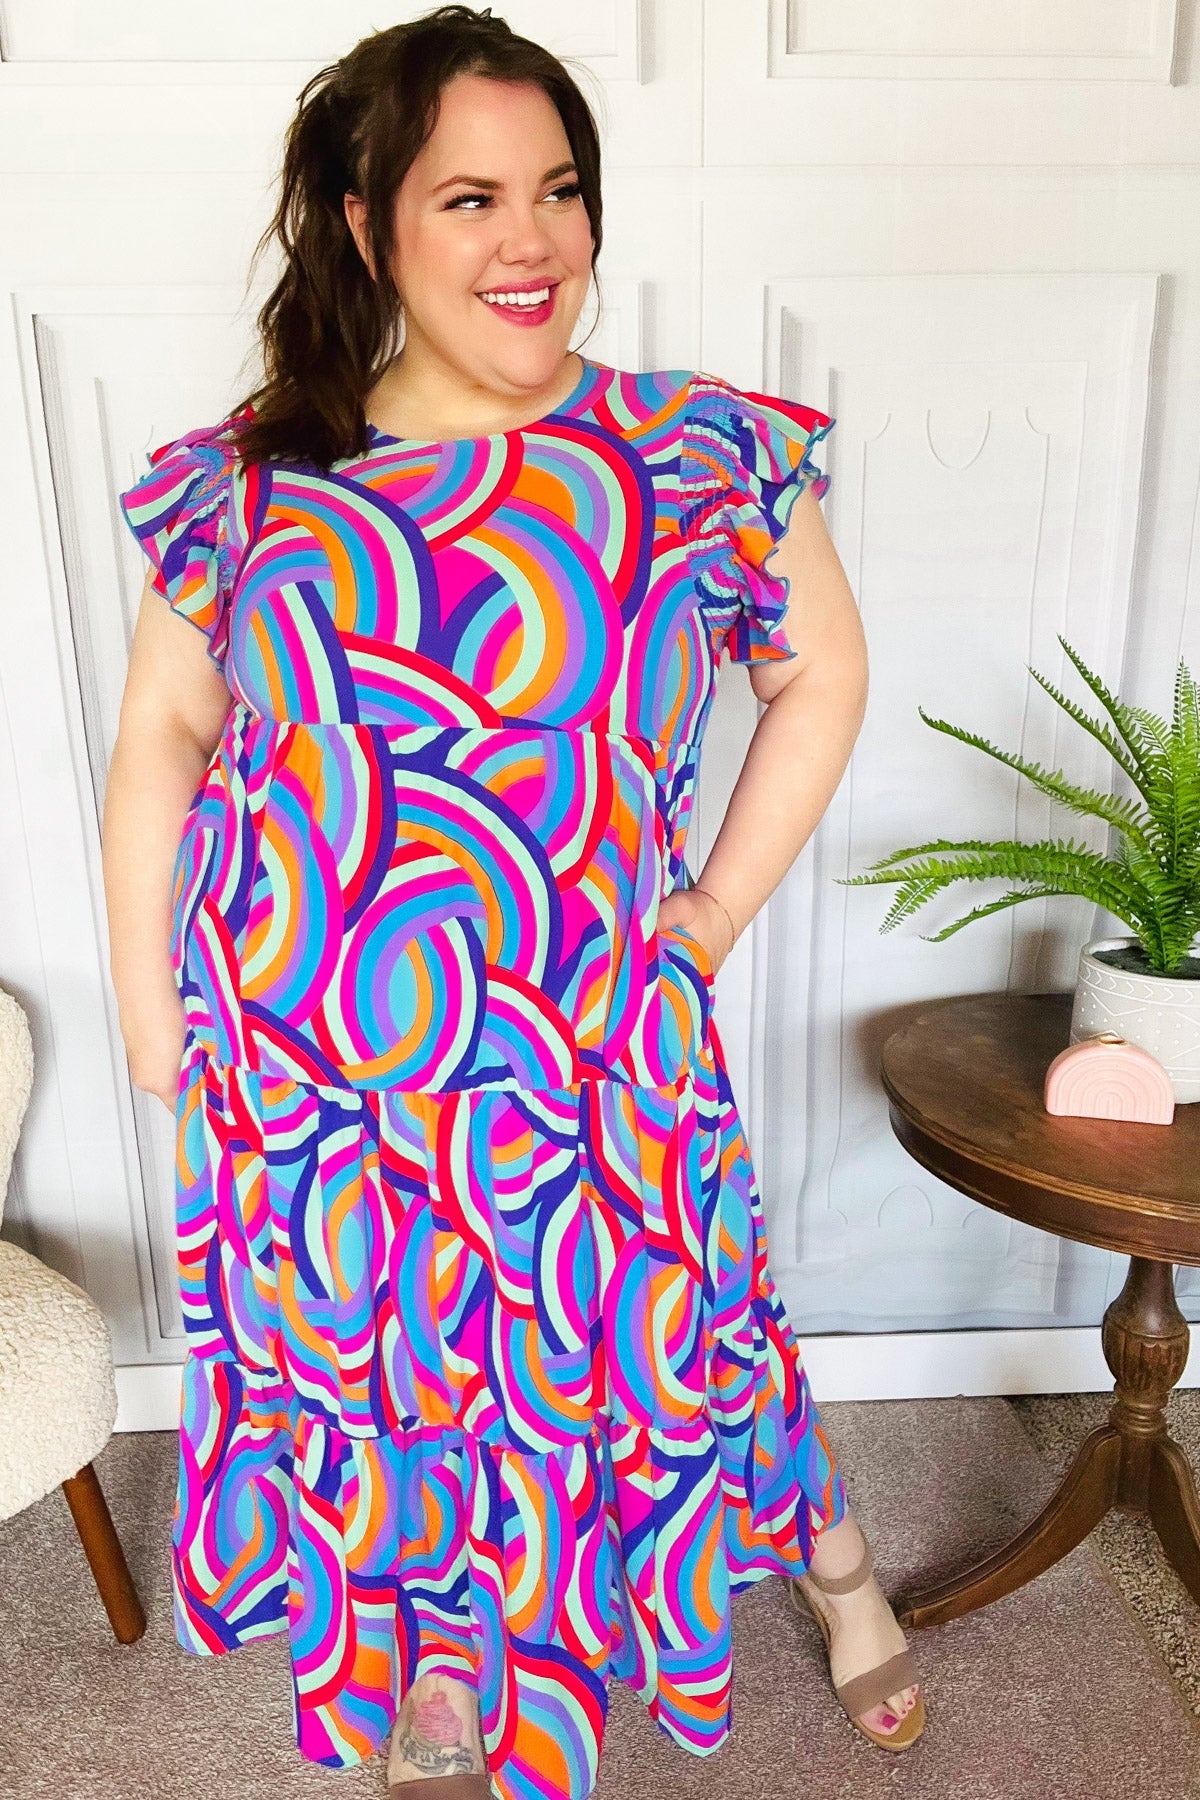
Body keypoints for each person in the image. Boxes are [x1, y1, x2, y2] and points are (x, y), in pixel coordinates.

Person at [101, 7, 924, 1796]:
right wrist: (159, 1027)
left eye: (558, 188)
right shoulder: (253, 476)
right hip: (313, 1077)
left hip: (588, 1056)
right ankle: (440, 1676)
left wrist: (709, 915)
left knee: (687, 1343)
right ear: (364, 219)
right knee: (388, 1391)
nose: (530, 239)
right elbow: (165, 730)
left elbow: (824, 671)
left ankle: (841, 1565)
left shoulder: (690, 452)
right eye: (468, 197)